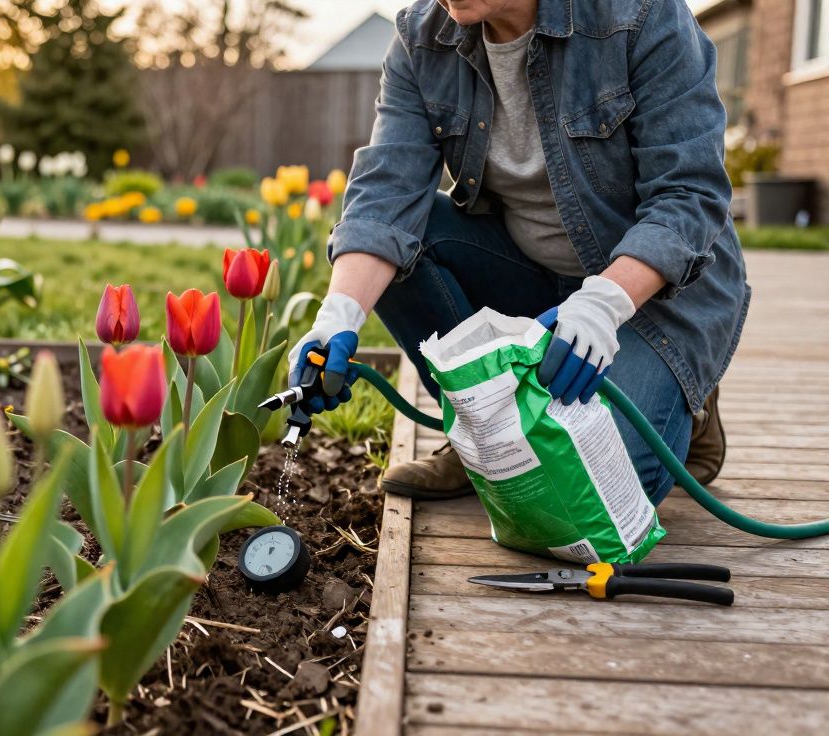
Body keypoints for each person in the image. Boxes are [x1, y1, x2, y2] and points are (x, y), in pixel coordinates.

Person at [292, 0, 747, 504]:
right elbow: (385, 198)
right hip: (531, 272)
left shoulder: (641, 15)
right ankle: (484, 436)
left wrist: (604, 303)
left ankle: (688, 394)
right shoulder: (422, 38)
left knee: (593, 495)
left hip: (650, 298)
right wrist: (338, 316)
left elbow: (689, 194)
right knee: (406, 240)